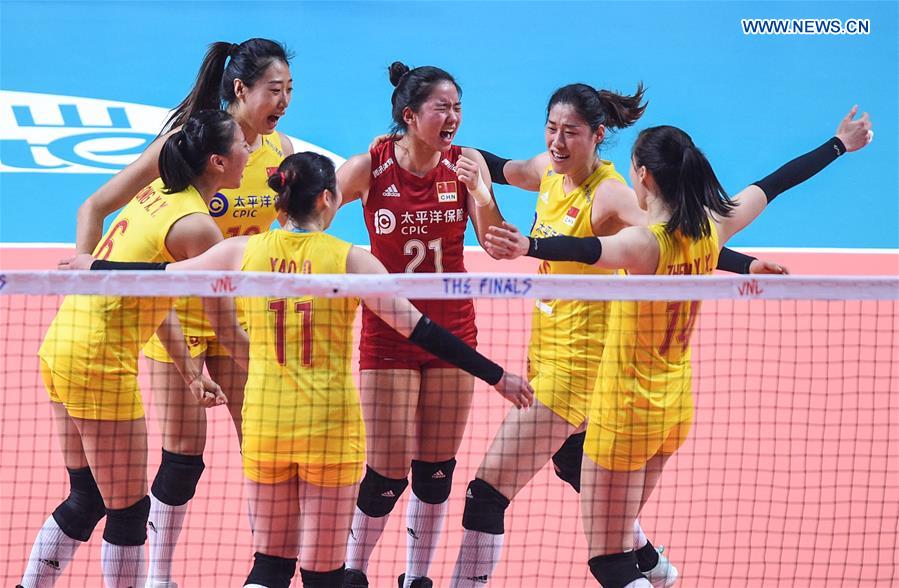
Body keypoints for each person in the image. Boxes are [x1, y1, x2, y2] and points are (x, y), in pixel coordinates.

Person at [92, 151, 533, 588]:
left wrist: (92, 267)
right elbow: (423, 331)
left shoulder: (240, 251)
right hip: (328, 430)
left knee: (270, 566)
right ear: (326, 198)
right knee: (323, 575)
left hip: (266, 424)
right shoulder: (351, 261)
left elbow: (159, 274)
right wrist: (496, 376)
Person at [482, 106, 873, 587]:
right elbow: (773, 184)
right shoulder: (714, 226)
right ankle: (658, 570)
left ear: (644, 176)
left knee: (610, 561)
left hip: (624, 412)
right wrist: (838, 145)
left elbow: (583, 249)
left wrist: (530, 247)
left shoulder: (644, 245)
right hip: (673, 408)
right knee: (621, 542)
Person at [450, 83, 785, 587]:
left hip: (581, 368)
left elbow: (670, 237)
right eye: (551, 129)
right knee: (576, 465)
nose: (558, 141)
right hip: (546, 352)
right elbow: (500, 166)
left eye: (571, 132)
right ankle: (651, 564)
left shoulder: (612, 194)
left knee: (486, 494)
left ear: (598, 136)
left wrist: (741, 264)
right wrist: (436, 146)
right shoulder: (547, 170)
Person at [72, 38, 295, 588]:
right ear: (240, 89)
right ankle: (159, 576)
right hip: (175, 323)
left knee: (264, 451)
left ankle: (266, 571)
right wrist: (85, 282)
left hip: (239, 321)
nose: (284, 101)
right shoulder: (186, 144)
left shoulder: (281, 152)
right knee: (182, 460)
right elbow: (95, 206)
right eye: (274, 90)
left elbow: (285, 238)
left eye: (290, 89)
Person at [21, 109, 253, 588]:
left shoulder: (159, 193)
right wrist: (281, 377)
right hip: (99, 365)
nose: (249, 152)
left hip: (64, 346)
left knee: (87, 498)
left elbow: (152, 294)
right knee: (128, 512)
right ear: (217, 162)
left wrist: (191, 372)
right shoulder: (199, 228)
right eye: (242, 146)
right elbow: (228, 331)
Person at [336, 62, 506, 588]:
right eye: (441, 108)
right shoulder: (370, 166)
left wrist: (482, 193)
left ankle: (417, 577)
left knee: (435, 471)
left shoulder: (466, 164)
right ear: (410, 116)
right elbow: (310, 214)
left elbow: (497, 245)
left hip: (453, 330)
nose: (453, 117)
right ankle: (352, 571)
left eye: (458, 107)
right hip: (389, 331)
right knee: (386, 472)